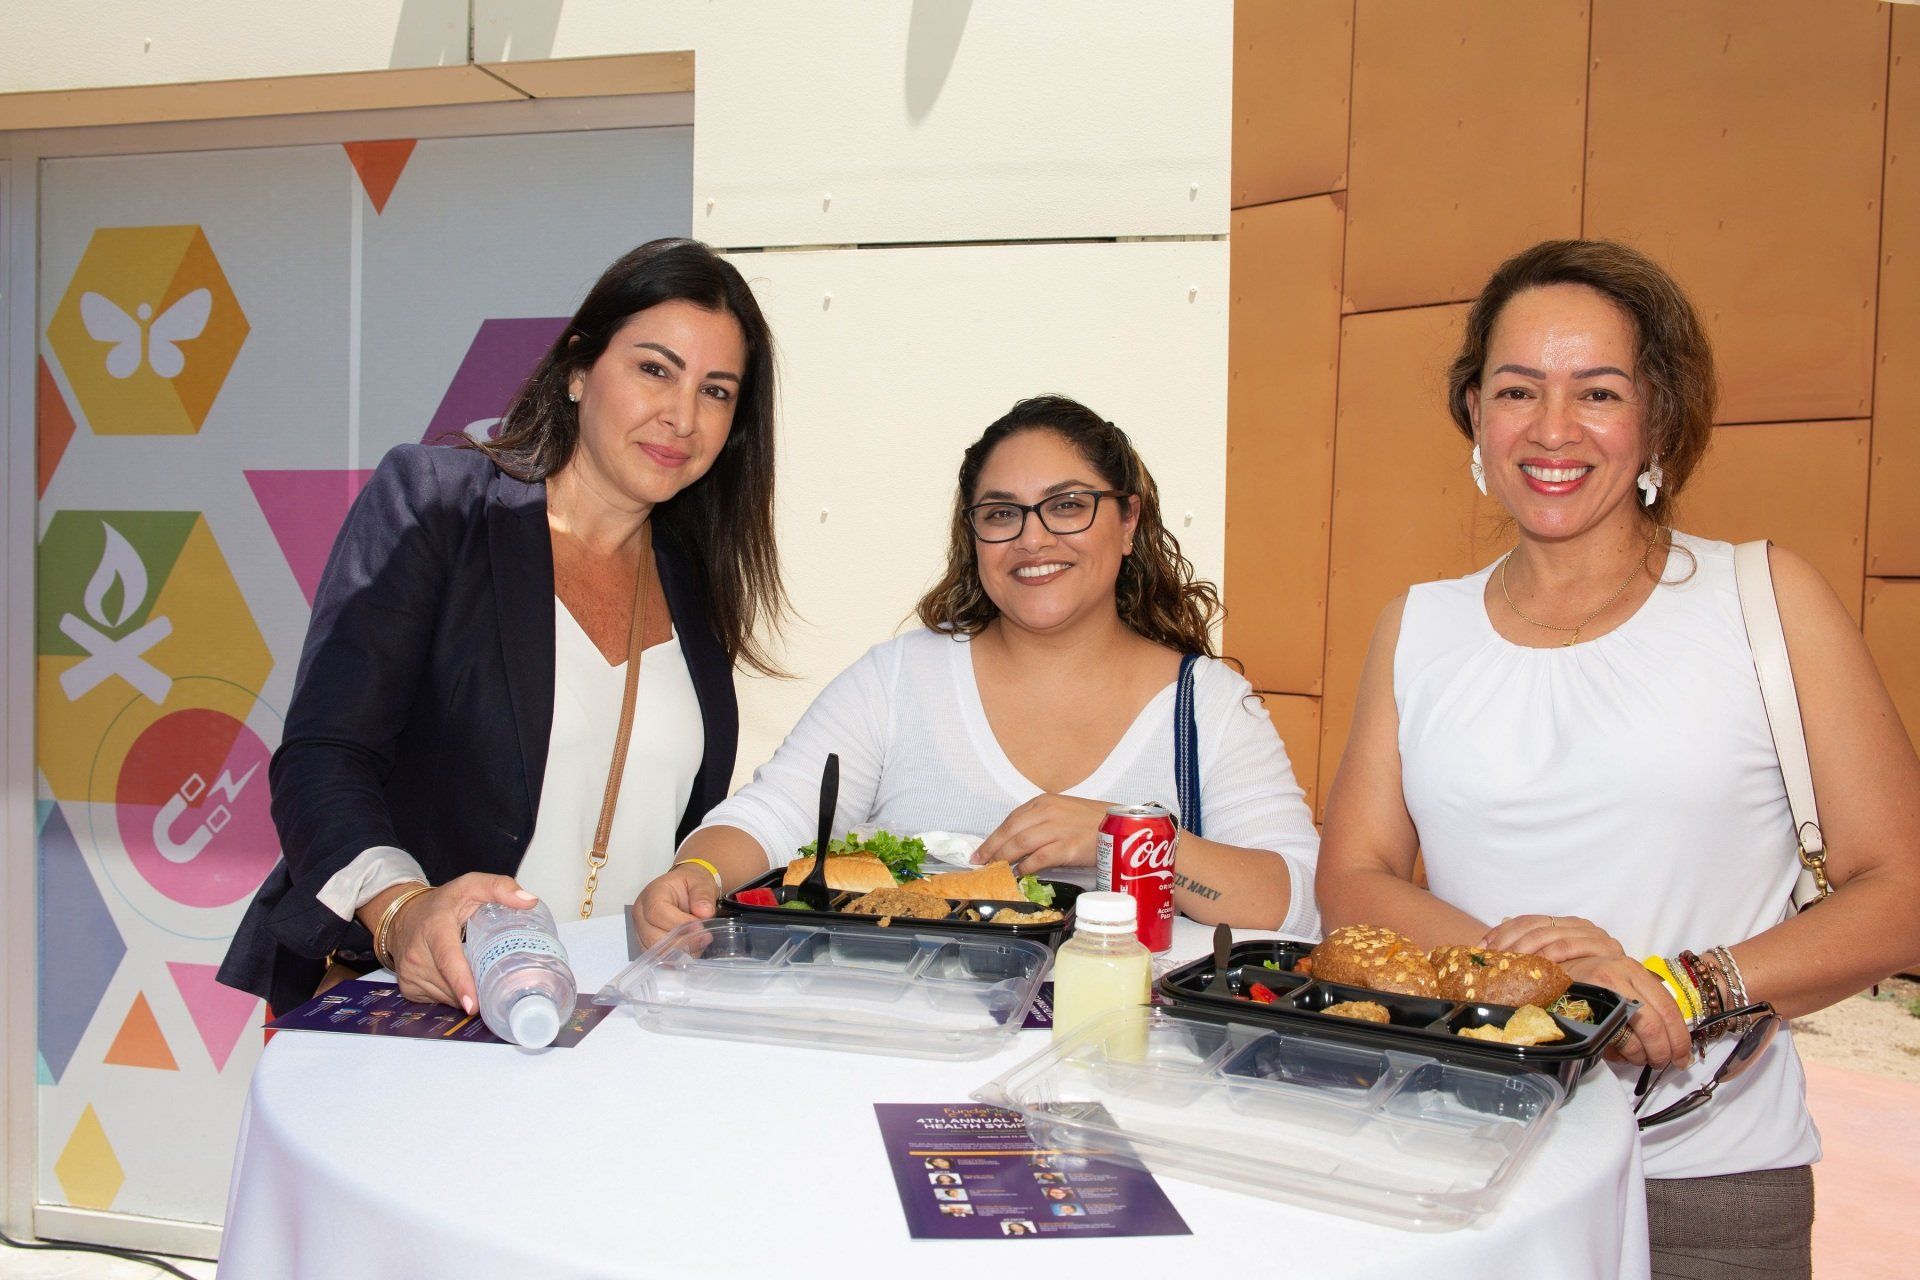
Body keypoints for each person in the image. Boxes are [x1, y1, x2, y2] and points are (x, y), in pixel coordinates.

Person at [1315, 239, 1920, 1277]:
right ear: (1474, 414)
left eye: (1597, 391)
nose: (1552, 430)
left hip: (1708, 1182)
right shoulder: (1418, 626)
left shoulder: (1764, 598)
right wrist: (1561, 988)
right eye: (1517, 389)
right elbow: (1352, 875)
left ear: (1659, 417)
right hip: (1465, 1160)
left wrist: (1679, 987)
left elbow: (1901, 887)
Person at [220, 239, 785, 1018]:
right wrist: (402, 911)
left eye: (717, 391)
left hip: (612, 1024)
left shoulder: (697, 583)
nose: (682, 416)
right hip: (423, 1006)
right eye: (655, 369)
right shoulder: (439, 507)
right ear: (580, 369)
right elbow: (325, 757)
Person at [635, 395, 1320, 946]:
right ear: (974, 535)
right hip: (905, 1050)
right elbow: (775, 812)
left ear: (1129, 520)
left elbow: (1297, 903)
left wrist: (1131, 837)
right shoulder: (900, 679)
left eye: (1068, 504)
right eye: (1001, 514)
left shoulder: (1208, 708)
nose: (1033, 537)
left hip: (1121, 1060)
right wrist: (693, 874)